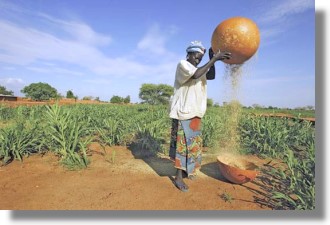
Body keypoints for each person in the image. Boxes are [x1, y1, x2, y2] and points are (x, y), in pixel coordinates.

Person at [169, 41, 231, 192]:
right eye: (197, 56)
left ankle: (187, 170)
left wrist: (212, 58)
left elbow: (211, 75)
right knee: (182, 147)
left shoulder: (199, 68)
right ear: (189, 53)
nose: (198, 60)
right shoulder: (183, 65)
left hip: (195, 112)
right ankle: (178, 177)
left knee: (192, 145)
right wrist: (214, 59)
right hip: (183, 112)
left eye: (201, 58)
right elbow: (196, 74)